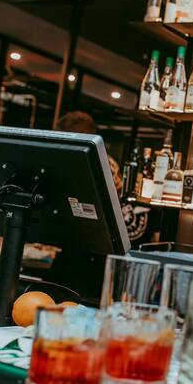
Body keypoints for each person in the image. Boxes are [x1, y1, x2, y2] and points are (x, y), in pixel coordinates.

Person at [46, 110, 122, 298]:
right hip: (71, 248)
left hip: (93, 254)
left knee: (75, 305)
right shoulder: (73, 159)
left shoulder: (102, 163)